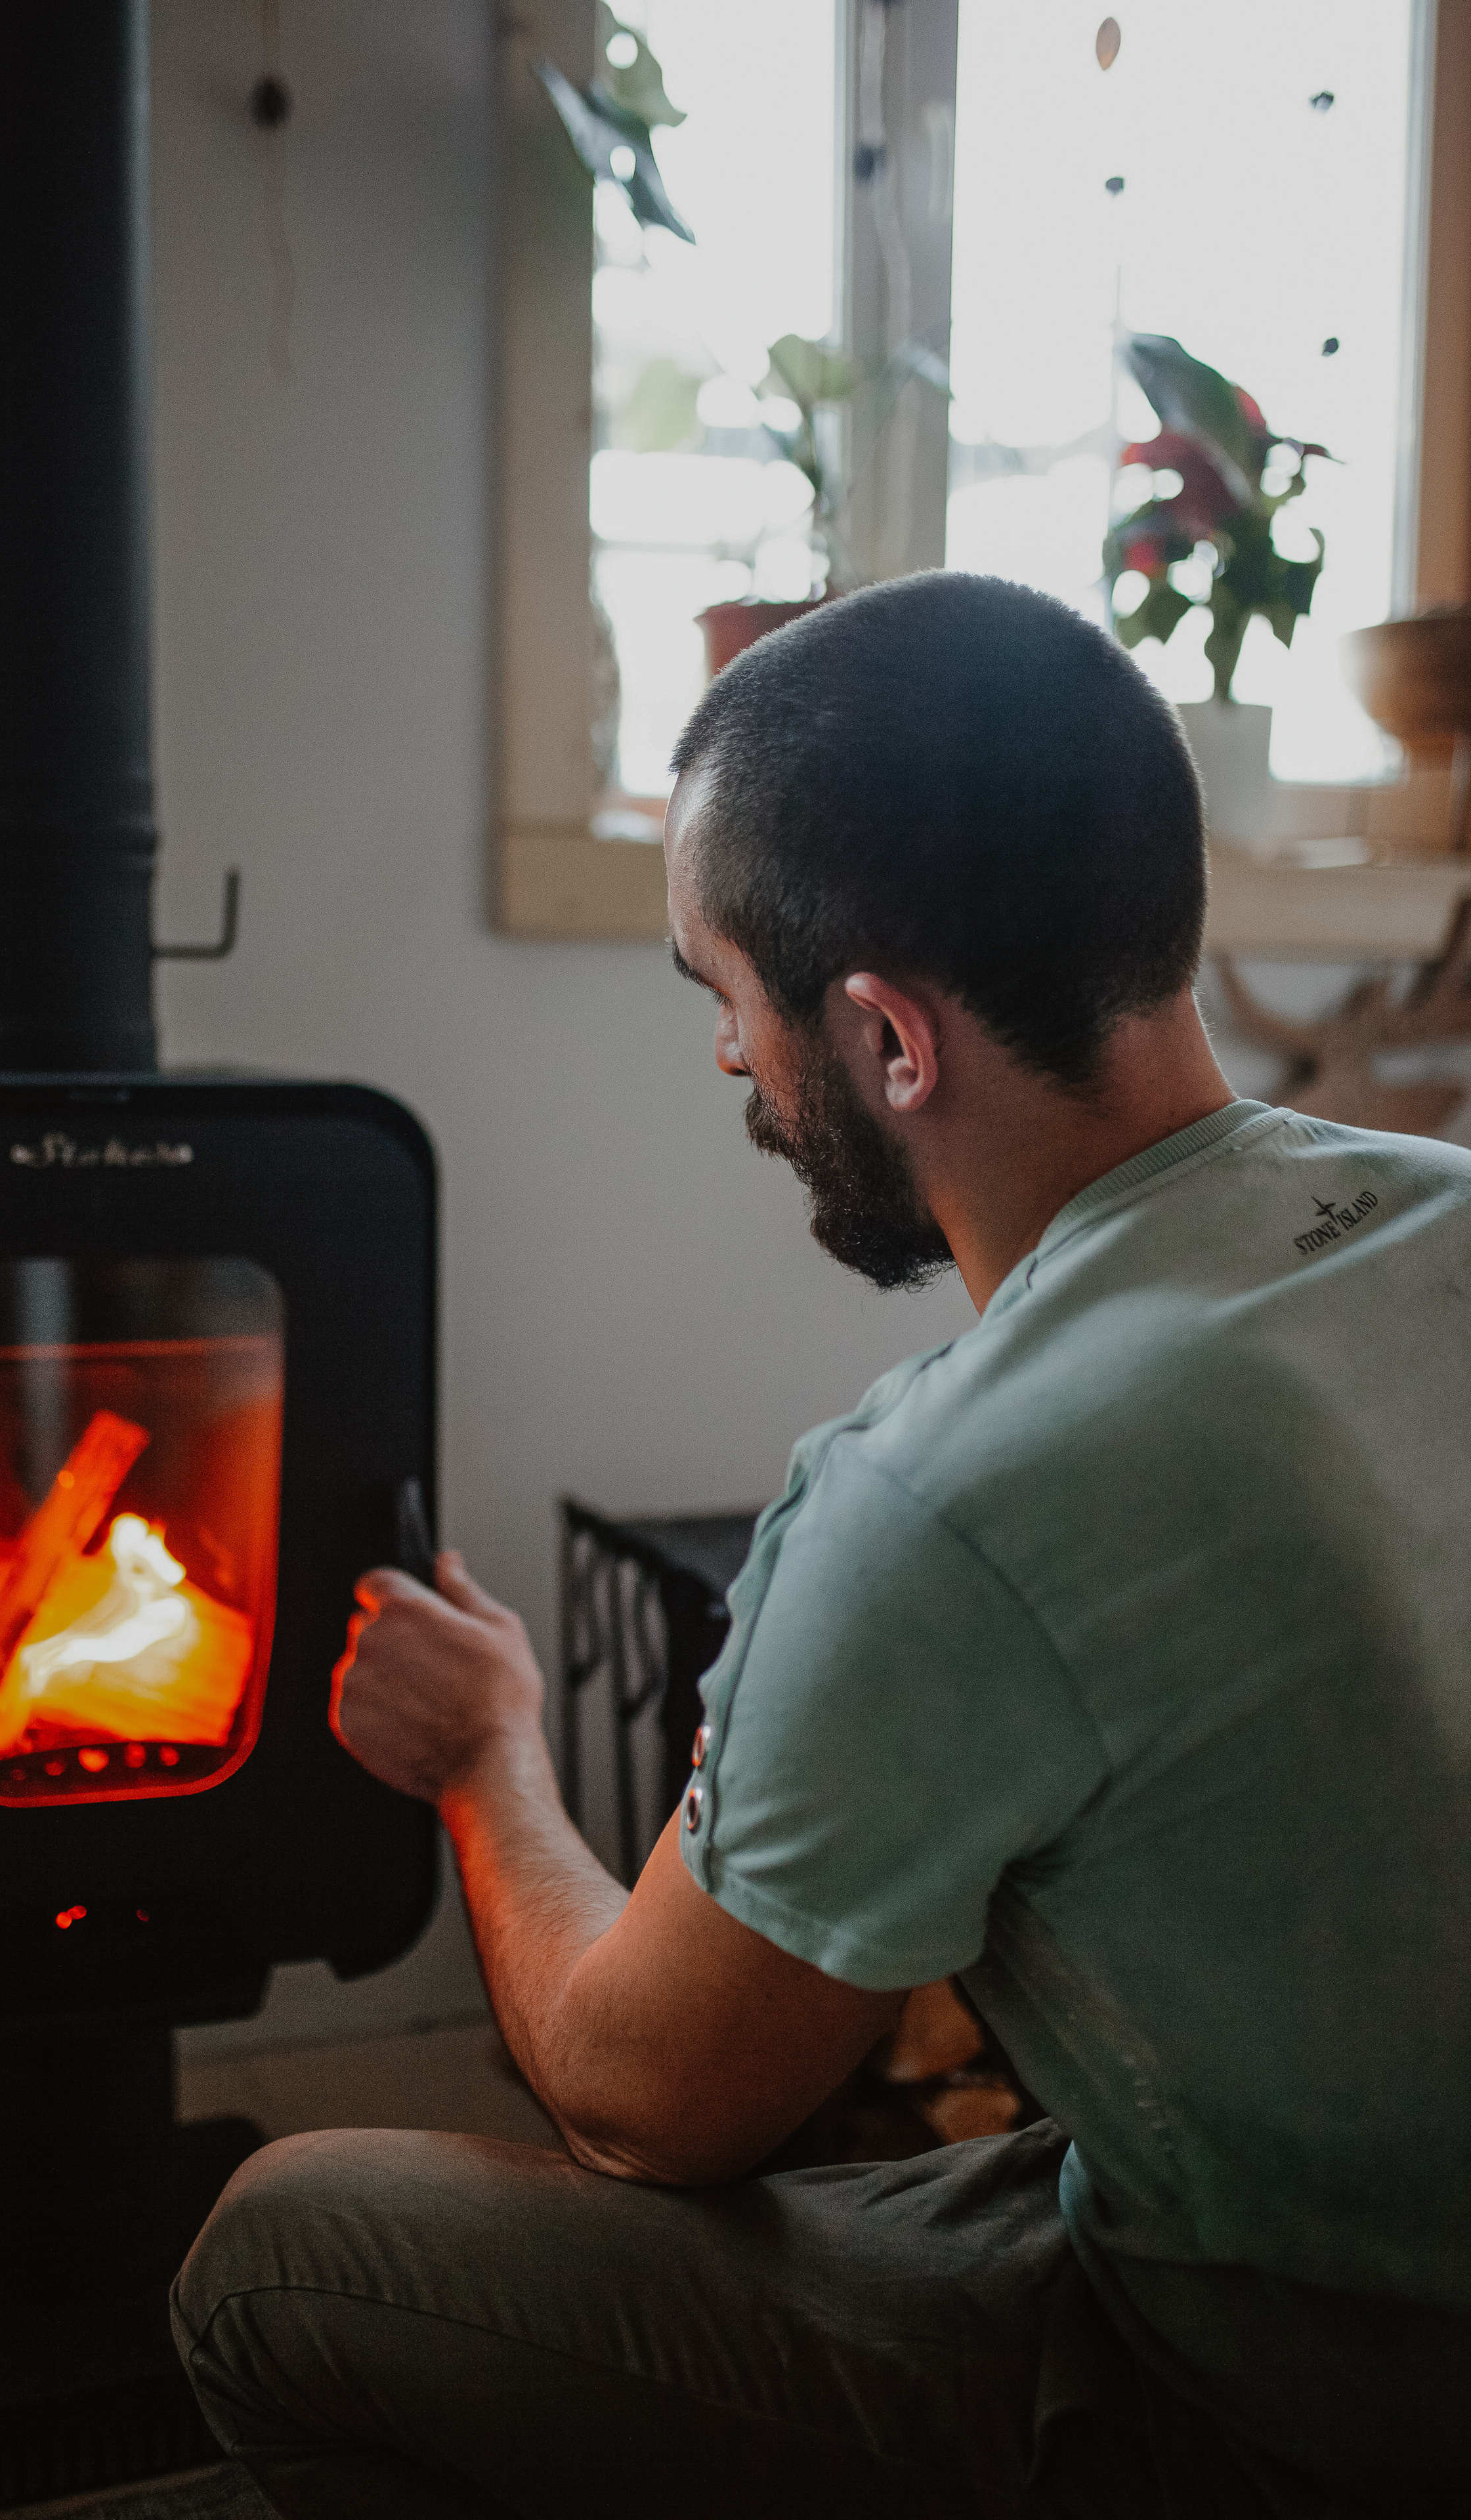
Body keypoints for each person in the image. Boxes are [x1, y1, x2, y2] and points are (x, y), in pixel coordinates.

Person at [170, 575, 1470, 2519]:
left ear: (882, 1035)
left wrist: (483, 1760)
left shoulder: (946, 1498)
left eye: (724, 997)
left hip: (1297, 2410)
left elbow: (643, 2100)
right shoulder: (1444, 1207)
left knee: (277, 2252)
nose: (727, 1069)